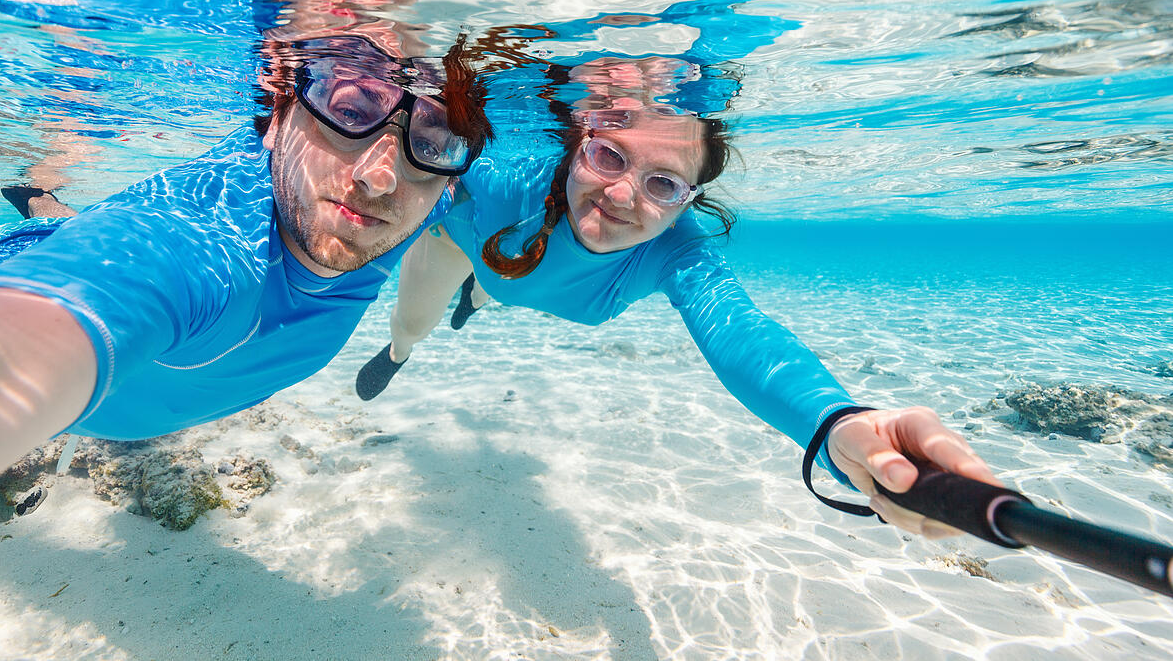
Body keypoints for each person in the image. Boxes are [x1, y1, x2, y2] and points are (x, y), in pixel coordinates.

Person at [0, 38, 492, 602]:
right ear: (280, 111)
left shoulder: (413, 195)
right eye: (350, 111)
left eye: (430, 141)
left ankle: (38, 198)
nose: (379, 177)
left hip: (99, 265)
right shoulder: (203, 255)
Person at [356, 62, 1001, 537]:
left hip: (510, 270)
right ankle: (409, 345)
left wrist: (834, 425)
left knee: (500, 287)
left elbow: (739, 330)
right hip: (460, 243)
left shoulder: (679, 250)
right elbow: (400, 193)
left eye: (662, 184)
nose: (619, 196)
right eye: (609, 157)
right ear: (580, 145)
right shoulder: (502, 177)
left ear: (689, 200)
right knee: (414, 321)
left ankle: (483, 295)